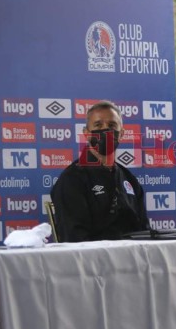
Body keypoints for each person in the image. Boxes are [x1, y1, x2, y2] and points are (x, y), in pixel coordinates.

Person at [50, 100, 149, 242]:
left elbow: (144, 231)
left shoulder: (129, 179)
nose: (106, 130)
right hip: (94, 261)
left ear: (121, 134)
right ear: (87, 134)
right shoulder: (72, 180)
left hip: (135, 258)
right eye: (98, 125)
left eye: (112, 125)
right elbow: (74, 237)